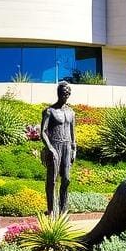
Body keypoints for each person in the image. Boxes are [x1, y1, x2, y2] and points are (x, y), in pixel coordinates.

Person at [41, 81, 76, 215]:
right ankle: (51, 210)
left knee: (66, 179)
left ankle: (63, 209)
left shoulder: (71, 112)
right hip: (54, 145)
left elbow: (73, 133)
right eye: (63, 93)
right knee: (52, 179)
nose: (65, 95)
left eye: (67, 93)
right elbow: (43, 132)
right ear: (58, 93)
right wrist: (49, 148)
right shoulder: (49, 111)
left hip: (67, 146)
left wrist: (74, 149)